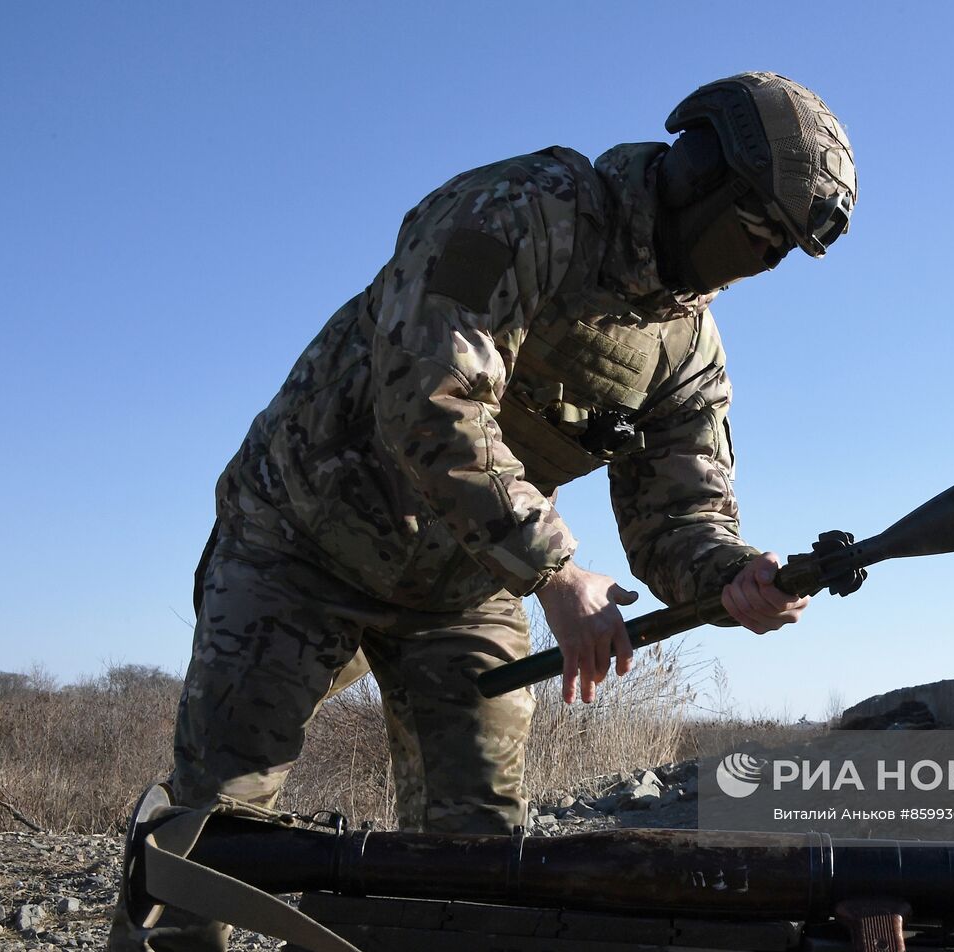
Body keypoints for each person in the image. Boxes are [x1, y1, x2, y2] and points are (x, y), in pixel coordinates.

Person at [110, 70, 856, 951]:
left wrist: (736, 576)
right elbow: (432, 401)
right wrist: (554, 571)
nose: (761, 262)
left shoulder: (687, 347)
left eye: (780, 250)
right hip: (298, 544)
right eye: (758, 233)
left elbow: (679, 514)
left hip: (466, 590)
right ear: (701, 180)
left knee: (473, 869)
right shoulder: (520, 211)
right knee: (215, 826)